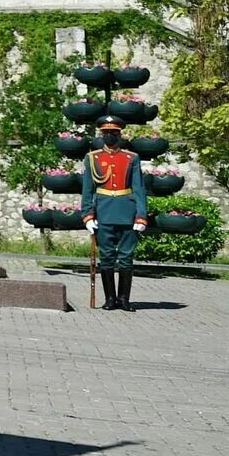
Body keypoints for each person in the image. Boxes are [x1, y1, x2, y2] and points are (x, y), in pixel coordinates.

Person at [82, 113, 147, 312]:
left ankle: (124, 299)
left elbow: (139, 188)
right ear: (101, 135)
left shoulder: (131, 158)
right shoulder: (93, 158)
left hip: (127, 212)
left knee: (126, 257)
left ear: (119, 135)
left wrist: (141, 215)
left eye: (114, 133)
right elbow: (88, 189)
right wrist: (87, 215)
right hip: (103, 212)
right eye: (106, 133)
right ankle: (110, 299)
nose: (110, 136)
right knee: (107, 257)